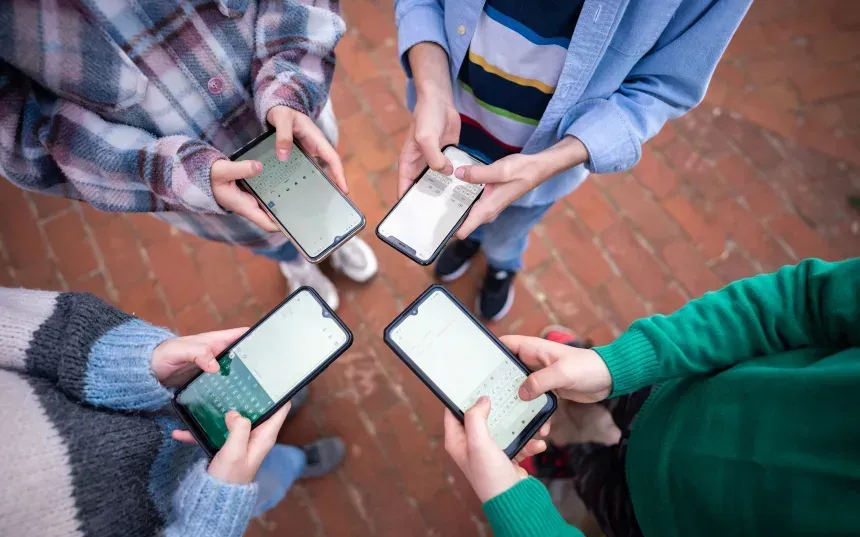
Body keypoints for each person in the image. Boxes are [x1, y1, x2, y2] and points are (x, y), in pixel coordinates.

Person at [0, 0, 376, 311]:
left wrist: (290, 80)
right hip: (186, 183)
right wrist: (170, 172)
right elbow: (21, 134)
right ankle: (296, 266)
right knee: (261, 235)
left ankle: (334, 239)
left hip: (295, 125)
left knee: (322, 196)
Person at [444, 257, 860, 536]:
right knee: (613, 390)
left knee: (593, 472)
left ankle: (573, 459)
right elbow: (805, 301)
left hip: (647, 518)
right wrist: (617, 365)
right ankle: (597, 379)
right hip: (681, 391)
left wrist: (516, 508)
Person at [394, 0, 751, 320]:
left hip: (539, 167)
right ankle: (472, 242)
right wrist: (433, 89)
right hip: (457, 127)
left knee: (509, 231)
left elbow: (665, 85)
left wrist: (550, 162)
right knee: (465, 214)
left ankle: (502, 265)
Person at [0, 287, 344, 537]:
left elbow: (31, 327)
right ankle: (293, 461)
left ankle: (268, 410)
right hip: (190, 501)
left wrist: (141, 362)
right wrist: (220, 504)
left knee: (241, 410)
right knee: (264, 477)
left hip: (166, 400)